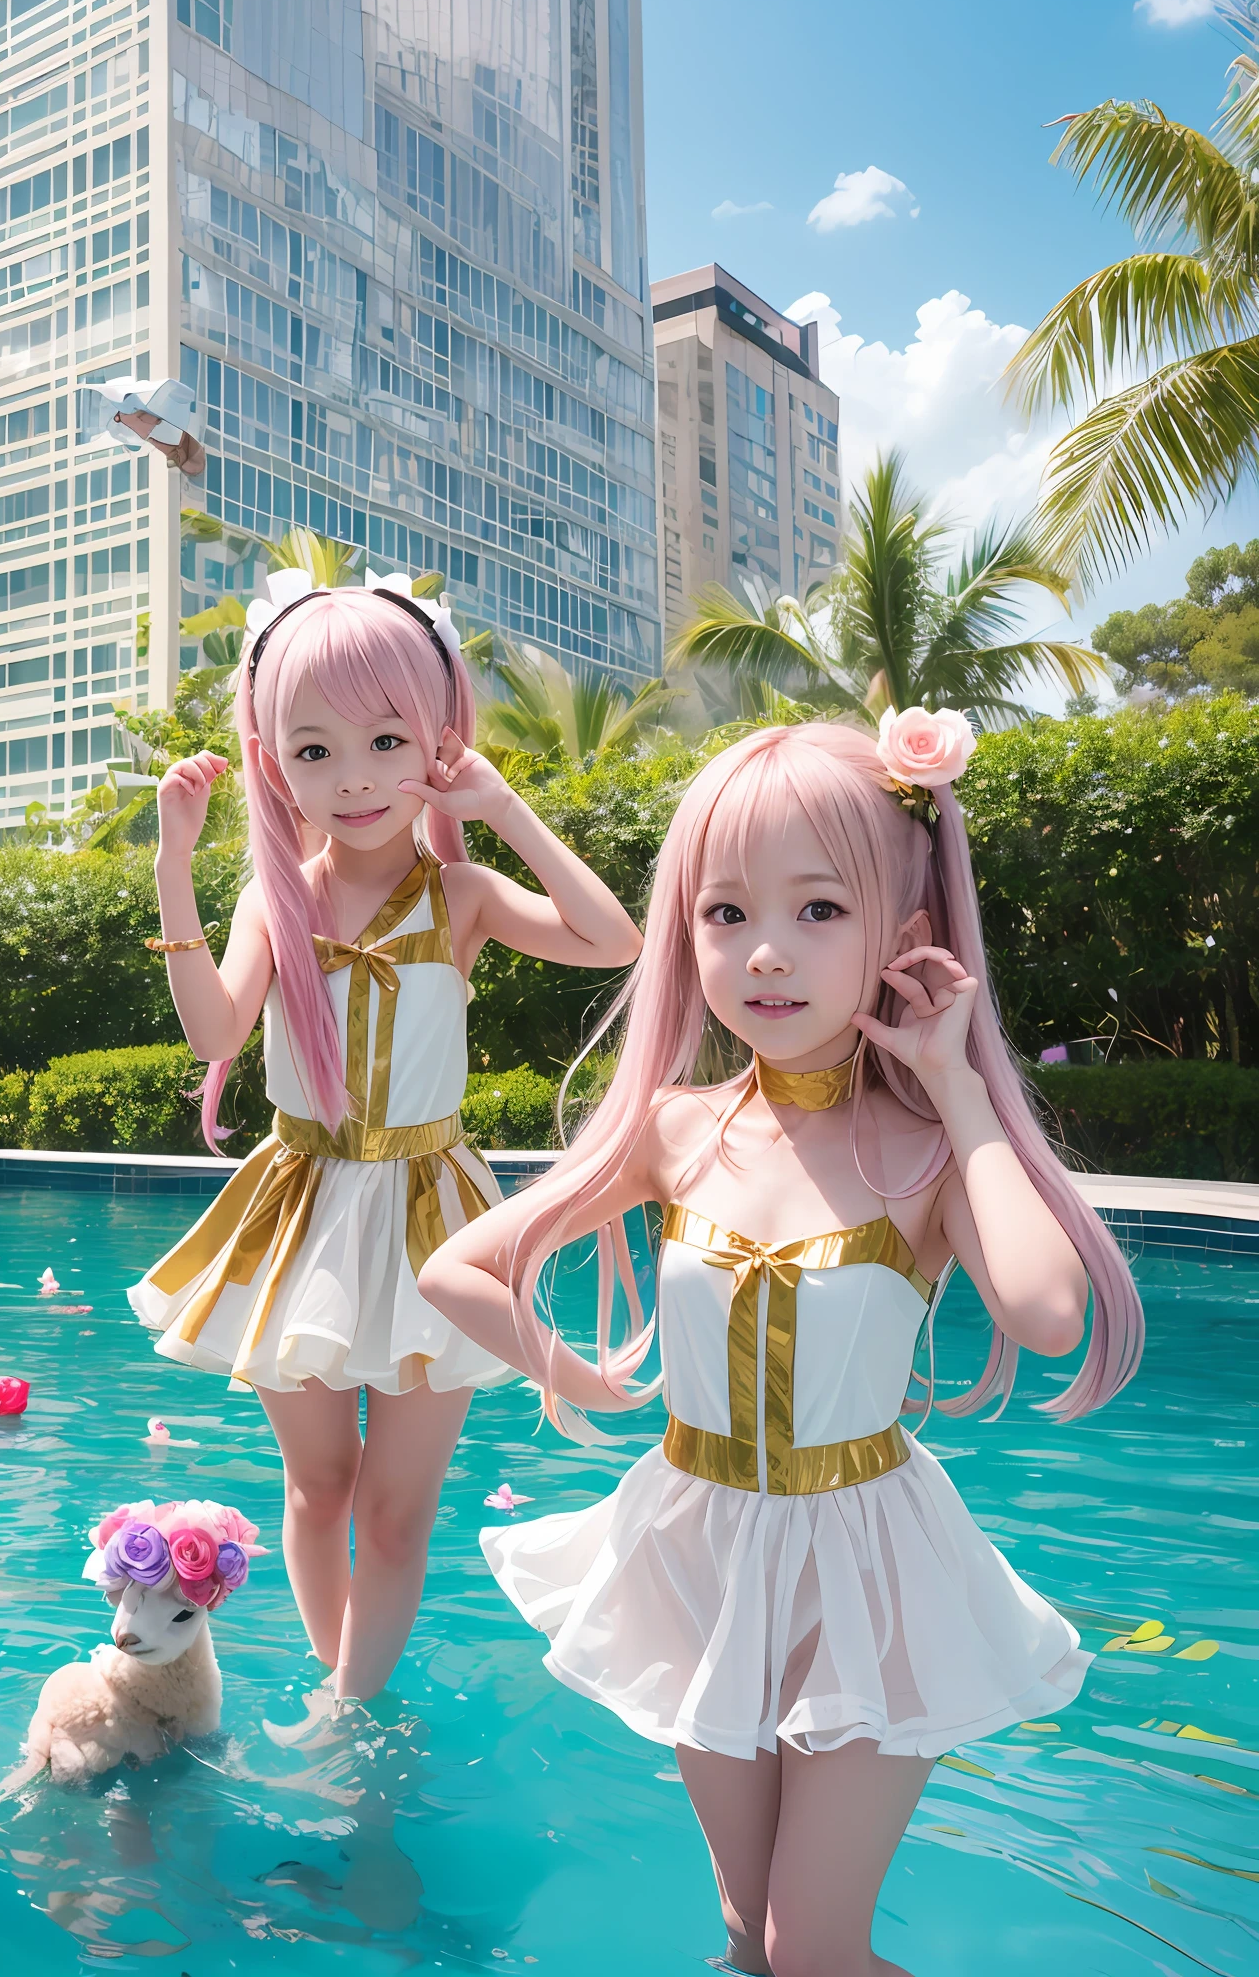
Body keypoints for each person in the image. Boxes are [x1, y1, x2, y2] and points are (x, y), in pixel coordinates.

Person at [417, 713, 1144, 1977]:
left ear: (901, 936)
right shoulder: (672, 1128)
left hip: (870, 1568)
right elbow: (458, 1267)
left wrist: (961, 1085)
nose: (762, 953)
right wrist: (570, 1372)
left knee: (814, 1949)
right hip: (702, 1556)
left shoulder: (921, 1148)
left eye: (817, 909)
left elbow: (1044, 1312)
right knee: (747, 1940)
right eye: (721, 913)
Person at [130, 573, 642, 1706]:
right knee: (315, 1483)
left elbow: (612, 941)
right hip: (299, 1203)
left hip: (426, 1209)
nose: (352, 776)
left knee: (394, 1505)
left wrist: (503, 807)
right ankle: (332, 1684)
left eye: (382, 739)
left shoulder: (458, 892)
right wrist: (176, 863)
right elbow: (214, 1026)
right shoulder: (276, 899)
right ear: (272, 763)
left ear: (436, 740)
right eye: (311, 751)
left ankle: (353, 1702)